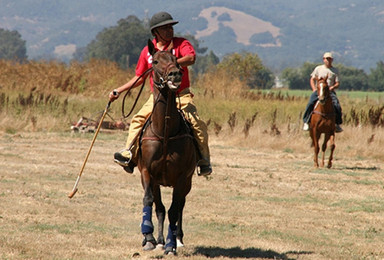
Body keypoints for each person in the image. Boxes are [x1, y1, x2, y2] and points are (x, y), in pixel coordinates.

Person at [108, 11, 212, 176]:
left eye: (170, 27)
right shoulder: (147, 52)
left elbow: (191, 58)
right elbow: (139, 77)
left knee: (197, 124)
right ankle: (129, 153)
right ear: (155, 32)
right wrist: (118, 91)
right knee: (137, 120)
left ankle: (204, 161)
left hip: (181, 95)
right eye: (164, 28)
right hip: (157, 97)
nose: (169, 30)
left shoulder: (180, 43)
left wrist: (170, 63)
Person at [302, 52, 343, 133]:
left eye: (330, 59)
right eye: (326, 59)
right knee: (310, 103)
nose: (328, 60)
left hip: (330, 92)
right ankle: (306, 121)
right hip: (319, 90)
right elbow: (312, 79)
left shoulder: (335, 71)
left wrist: (333, 87)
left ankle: (337, 124)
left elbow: (337, 83)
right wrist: (314, 88)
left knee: (337, 105)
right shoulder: (318, 69)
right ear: (323, 59)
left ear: (332, 60)